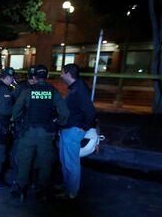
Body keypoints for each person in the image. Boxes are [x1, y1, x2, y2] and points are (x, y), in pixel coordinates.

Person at [10, 65, 68, 202]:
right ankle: (43, 191)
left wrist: (19, 120)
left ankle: (21, 190)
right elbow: (64, 113)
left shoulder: (28, 91)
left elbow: (15, 111)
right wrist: (56, 124)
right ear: (46, 77)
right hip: (46, 134)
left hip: (28, 133)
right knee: (45, 163)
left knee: (24, 161)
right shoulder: (53, 92)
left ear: (34, 77)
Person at [58, 63, 97, 199]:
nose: (60, 75)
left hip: (73, 130)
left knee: (71, 163)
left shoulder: (79, 89)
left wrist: (83, 127)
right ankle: (67, 185)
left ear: (68, 74)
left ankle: (71, 193)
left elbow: (91, 112)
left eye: (62, 72)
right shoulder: (76, 87)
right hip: (67, 129)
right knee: (65, 161)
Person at [9, 67, 38, 175]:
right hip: (21, 123)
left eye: (32, 78)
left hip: (30, 124)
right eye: (30, 78)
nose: (31, 80)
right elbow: (13, 103)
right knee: (18, 149)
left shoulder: (35, 87)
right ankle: (18, 173)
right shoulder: (21, 87)